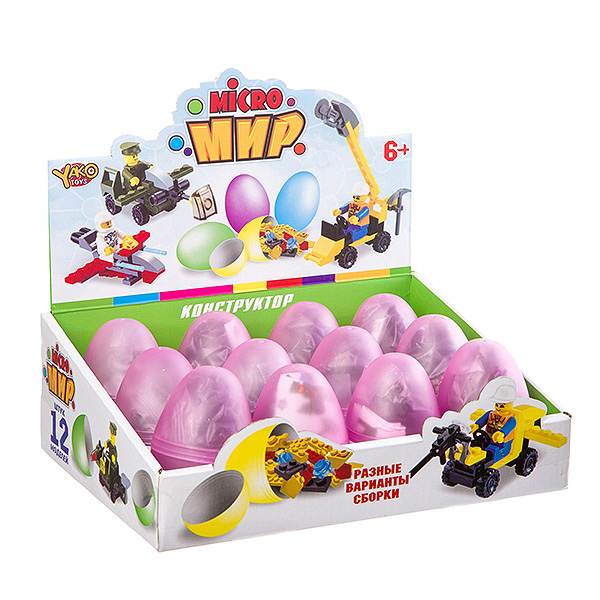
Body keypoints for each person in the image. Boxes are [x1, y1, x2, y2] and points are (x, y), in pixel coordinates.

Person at [470, 380, 518, 462]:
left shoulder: (511, 418)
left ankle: (487, 462)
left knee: (491, 453)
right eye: (497, 405)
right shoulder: (491, 413)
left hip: (502, 444)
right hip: (487, 438)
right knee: (475, 444)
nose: (498, 407)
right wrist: (477, 425)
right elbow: (483, 420)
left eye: (502, 406)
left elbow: (509, 426)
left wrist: (501, 434)